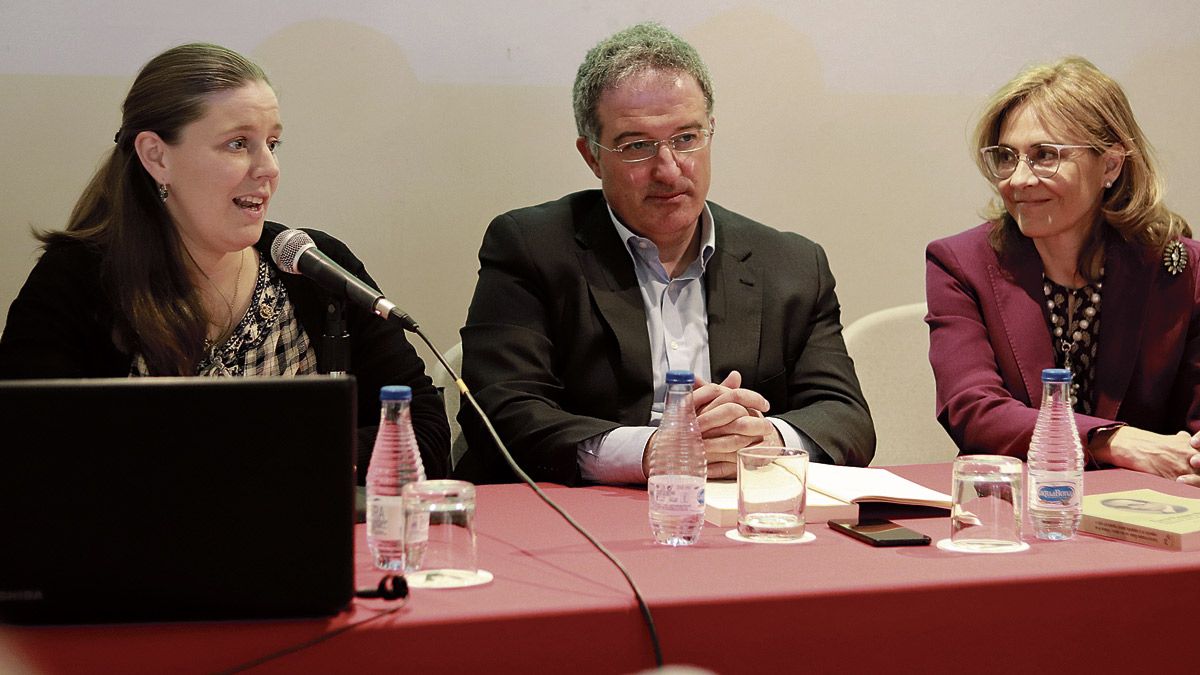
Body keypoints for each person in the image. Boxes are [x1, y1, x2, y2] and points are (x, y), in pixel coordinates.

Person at [0, 43, 449, 481]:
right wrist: (287, 455)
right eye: (238, 144)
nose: (268, 167)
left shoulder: (313, 268)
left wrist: (255, 456)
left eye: (273, 143)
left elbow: (424, 436)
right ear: (157, 156)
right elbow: (30, 457)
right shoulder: (77, 282)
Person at [455, 23, 874, 485]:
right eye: (637, 146)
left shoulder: (791, 264)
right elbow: (500, 410)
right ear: (592, 157)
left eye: (686, 138)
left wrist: (763, 439)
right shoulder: (530, 247)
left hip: (733, 517)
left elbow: (846, 416)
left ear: (710, 132)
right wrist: (653, 450)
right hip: (585, 515)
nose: (669, 168)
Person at [926, 56, 1200, 487]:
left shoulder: (1181, 269)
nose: (1018, 179)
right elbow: (974, 412)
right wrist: (1112, 441)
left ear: (1110, 165)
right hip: (1012, 510)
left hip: (1153, 507)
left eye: (1044, 156)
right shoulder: (961, 262)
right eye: (1006, 157)